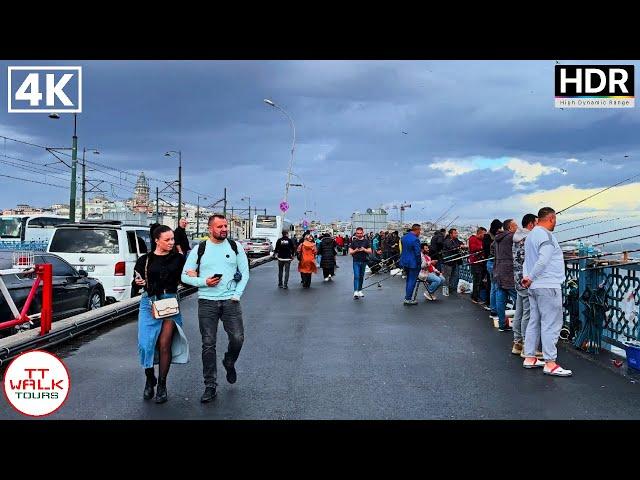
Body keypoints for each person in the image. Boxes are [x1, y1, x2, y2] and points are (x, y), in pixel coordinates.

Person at [181, 214, 250, 402]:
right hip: (207, 302)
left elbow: (245, 273)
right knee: (208, 344)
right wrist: (204, 281)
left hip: (231, 301)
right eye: (220, 226)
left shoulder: (235, 247)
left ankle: (229, 360)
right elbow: (185, 277)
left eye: (225, 226)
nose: (224, 229)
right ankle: (210, 385)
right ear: (210, 229)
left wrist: (237, 294)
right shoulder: (200, 249)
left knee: (238, 338)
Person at [134, 225, 188, 404]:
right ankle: (150, 378)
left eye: (173, 239)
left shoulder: (179, 259)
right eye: (167, 240)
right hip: (148, 303)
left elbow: (185, 279)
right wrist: (139, 281)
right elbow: (136, 284)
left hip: (170, 303)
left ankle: (162, 385)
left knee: (165, 344)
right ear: (156, 240)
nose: (172, 242)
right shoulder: (144, 260)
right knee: (145, 344)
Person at [522, 207, 572, 377]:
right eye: (555, 220)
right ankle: (550, 362)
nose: (555, 223)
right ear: (551, 218)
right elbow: (543, 259)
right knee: (552, 322)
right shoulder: (546, 235)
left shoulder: (530, 236)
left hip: (534, 286)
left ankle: (530, 357)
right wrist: (531, 277)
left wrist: (527, 277)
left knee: (534, 321)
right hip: (548, 285)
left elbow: (527, 261)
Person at [512, 213, 541, 357]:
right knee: (527, 314)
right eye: (537, 223)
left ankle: (517, 343)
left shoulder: (516, 237)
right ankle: (526, 345)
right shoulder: (528, 238)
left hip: (517, 277)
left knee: (519, 310)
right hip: (525, 278)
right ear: (531, 224)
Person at [493, 219, 517, 332]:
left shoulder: (498, 237)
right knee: (519, 298)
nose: (517, 227)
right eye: (515, 225)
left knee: (500, 299)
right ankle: (519, 325)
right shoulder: (511, 236)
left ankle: (502, 323)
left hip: (498, 270)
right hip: (508, 272)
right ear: (510, 227)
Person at [399, 224, 422, 305]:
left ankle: (407, 297)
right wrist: (420, 263)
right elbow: (417, 253)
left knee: (409, 280)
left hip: (405, 262)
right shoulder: (415, 239)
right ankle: (408, 298)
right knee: (412, 281)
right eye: (420, 230)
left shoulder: (403, 237)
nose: (420, 232)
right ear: (417, 230)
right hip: (413, 263)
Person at [484, 219, 503, 317]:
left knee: (493, 287)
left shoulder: (491, 236)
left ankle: (493, 308)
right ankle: (494, 309)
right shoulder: (490, 237)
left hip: (490, 263)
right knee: (496, 287)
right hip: (493, 263)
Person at [441, 228, 465, 296]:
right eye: (455, 233)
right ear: (450, 234)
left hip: (455, 261)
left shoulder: (456, 240)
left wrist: (461, 245)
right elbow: (451, 247)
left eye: (456, 233)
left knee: (454, 275)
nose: (456, 234)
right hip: (448, 261)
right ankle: (445, 290)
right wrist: (459, 246)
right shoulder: (447, 240)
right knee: (447, 276)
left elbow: (460, 243)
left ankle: (451, 289)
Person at [349, 227, 371, 299]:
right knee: (356, 276)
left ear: (363, 233)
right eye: (357, 233)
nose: (359, 235)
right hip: (356, 261)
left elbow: (370, 251)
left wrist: (364, 249)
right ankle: (355, 291)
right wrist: (355, 250)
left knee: (361, 276)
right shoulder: (353, 242)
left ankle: (360, 290)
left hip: (364, 261)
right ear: (356, 233)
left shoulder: (366, 241)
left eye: (360, 233)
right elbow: (350, 252)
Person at [468, 227, 487, 304]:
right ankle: (475, 297)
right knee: (477, 280)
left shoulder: (482, 240)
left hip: (481, 262)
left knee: (480, 280)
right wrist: (482, 247)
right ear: (479, 233)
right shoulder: (472, 239)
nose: (485, 236)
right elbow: (472, 248)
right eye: (484, 234)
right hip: (475, 263)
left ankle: (478, 295)